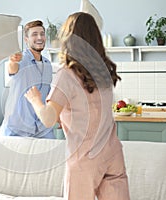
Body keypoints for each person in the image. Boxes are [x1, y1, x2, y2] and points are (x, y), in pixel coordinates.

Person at [24, 12, 130, 200]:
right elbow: (90, 108)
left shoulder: (67, 74)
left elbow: (48, 119)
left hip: (85, 159)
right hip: (112, 154)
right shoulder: (103, 71)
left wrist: (35, 100)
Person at [0, 20, 55, 139]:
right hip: (17, 129)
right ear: (26, 39)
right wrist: (12, 60)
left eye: (42, 33)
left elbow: (47, 95)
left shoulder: (48, 64)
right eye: (34, 34)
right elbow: (12, 68)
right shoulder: (21, 59)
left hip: (42, 130)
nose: (39, 37)